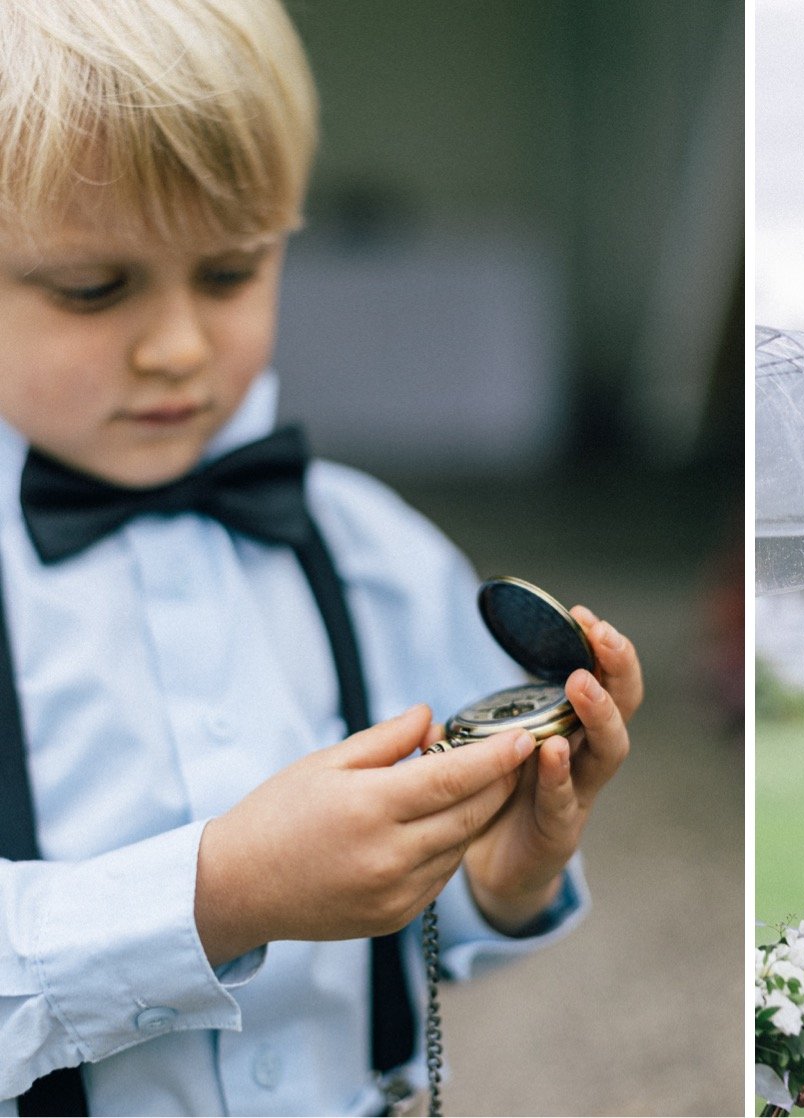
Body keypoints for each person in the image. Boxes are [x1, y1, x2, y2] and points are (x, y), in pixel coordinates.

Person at [0, 1, 641, 1114]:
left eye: (232, 272)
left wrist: (500, 871)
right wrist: (217, 894)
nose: (179, 346)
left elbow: (428, 923)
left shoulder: (373, 551)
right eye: (94, 287)